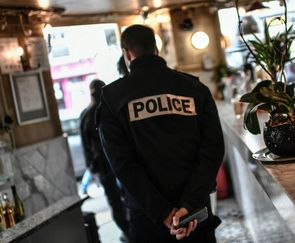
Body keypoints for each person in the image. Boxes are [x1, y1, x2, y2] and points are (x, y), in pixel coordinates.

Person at [97, 25, 224, 242]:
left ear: (127, 53)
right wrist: (189, 204)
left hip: (148, 219)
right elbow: (213, 149)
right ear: (156, 49)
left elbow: (122, 164)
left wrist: (163, 213)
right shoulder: (194, 89)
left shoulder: (112, 99)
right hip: (194, 215)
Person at [80, 79, 131, 242]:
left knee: (115, 201)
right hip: (120, 161)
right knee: (129, 195)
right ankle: (133, 230)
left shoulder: (86, 114)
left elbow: (85, 144)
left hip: (103, 165)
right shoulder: (112, 107)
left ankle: (128, 232)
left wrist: (91, 166)